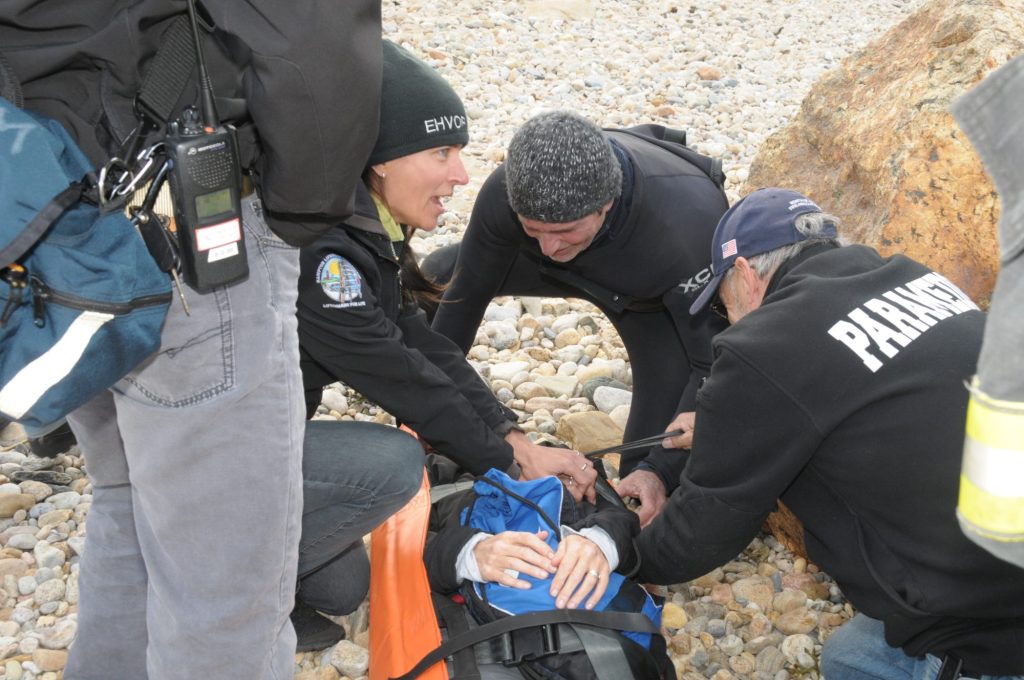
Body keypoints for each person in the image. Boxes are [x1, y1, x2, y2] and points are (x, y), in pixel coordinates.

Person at [1, 2, 381, 678]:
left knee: (130, 502)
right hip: (178, 220)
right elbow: (307, 30)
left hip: (44, 218)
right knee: (225, 597)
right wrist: (300, 208)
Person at [636, 188, 1024, 679]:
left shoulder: (765, 344)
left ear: (745, 275)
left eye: (723, 306)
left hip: (989, 620)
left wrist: (622, 555)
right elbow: (854, 398)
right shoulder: (914, 277)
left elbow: (704, 529)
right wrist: (726, 425)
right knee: (849, 657)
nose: (728, 320)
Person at [294, 41, 600, 643]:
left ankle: (253, 558)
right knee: (396, 462)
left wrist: (510, 435)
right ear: (379, 160)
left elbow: (422, 346)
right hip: (223, 446)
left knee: (340, 589)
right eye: (442, 151)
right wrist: (509, 466)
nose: (462, 174)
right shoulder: (321, 253)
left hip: (271, 429)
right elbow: (402, 379)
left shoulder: (365, 225)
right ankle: (218, 575)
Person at [423, 110, 730, 525]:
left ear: (606, 204)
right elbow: (465, 296)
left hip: (653, 305)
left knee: (643, 471)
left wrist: (658, 471)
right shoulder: (507, 195)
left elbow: (714, 365)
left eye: (564, 229)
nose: (549, 245)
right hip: (572, 271)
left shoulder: (687, 228)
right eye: (532, 228)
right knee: (434, 279)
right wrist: (429, 410)